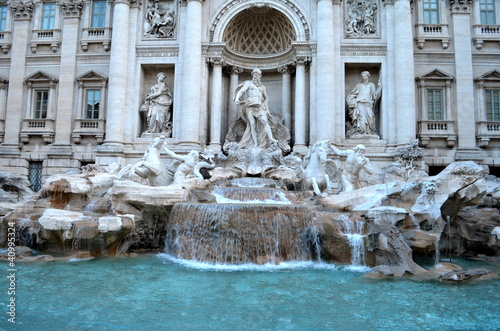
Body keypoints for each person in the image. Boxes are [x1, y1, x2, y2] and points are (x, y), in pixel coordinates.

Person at [234, 69, 277, 148]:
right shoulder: (248, 83)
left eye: (257, 75)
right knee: (252, 124)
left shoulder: (262, 87)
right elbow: (242, 91)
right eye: (254, 74)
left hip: (259, 106)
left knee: (264, 121)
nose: (255, 76)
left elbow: (266, 98)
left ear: (260, 76)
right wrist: (237, 98)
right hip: (249, 105)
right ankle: (255, 143)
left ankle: (271, 138)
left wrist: (265, 105)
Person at [346, 71, 381, 135]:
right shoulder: (359, 85)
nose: (364, 77)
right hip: (360, 103)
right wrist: (351, 100)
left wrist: (379, 87)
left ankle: (369, 131)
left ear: (368, 76)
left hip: (368, 103)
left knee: (370, 116)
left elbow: (375, 96)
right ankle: (362, 132)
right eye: (363, 76)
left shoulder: (371, 85)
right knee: (361, 118)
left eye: (365, 76)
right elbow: (352, 94)